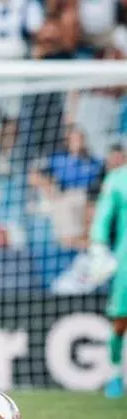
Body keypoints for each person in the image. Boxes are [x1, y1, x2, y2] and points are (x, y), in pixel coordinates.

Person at [89, 148, 127, 398]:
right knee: (121, 319)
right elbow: (103, 215)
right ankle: (114, 374)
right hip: (126, 259)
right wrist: (99, 247)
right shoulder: (118, 179)